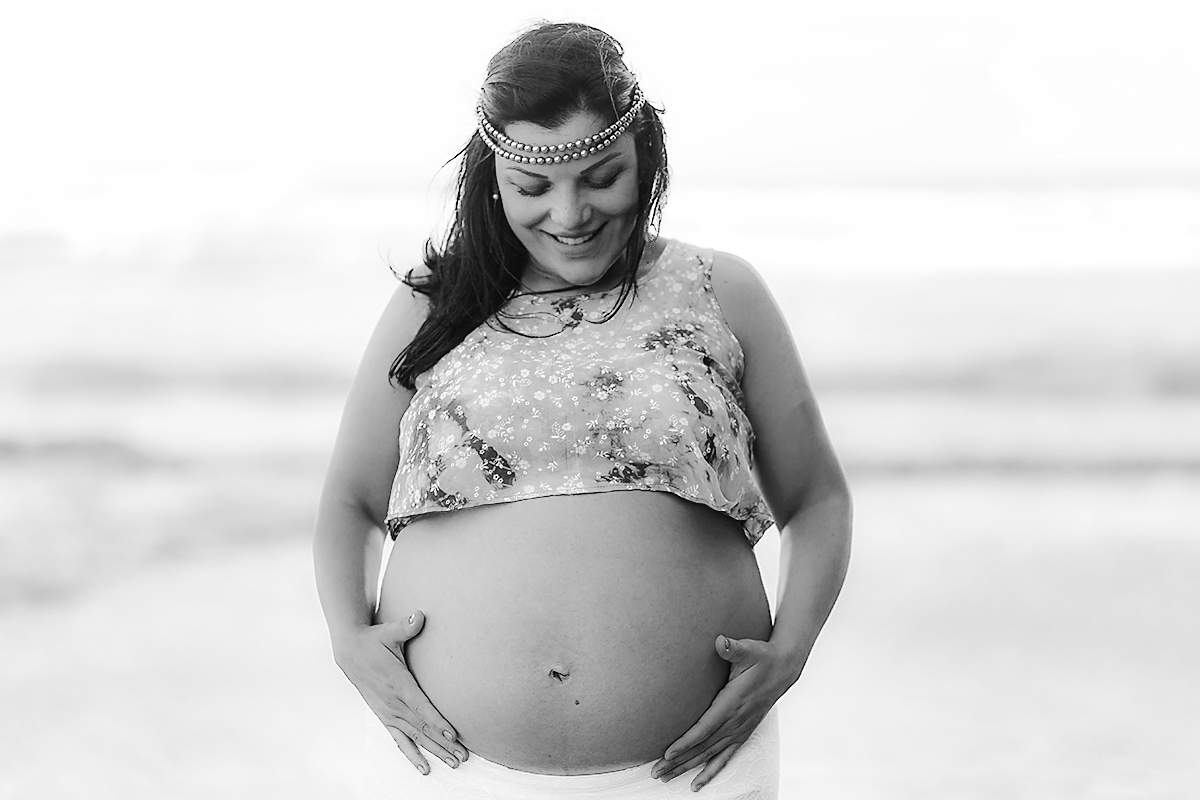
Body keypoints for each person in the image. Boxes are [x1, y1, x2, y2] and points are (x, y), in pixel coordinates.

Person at [313, 21, 852, 800]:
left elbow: (817, 498)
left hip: (696, 772)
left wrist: (794, 649)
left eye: (602, 177)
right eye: (533, 187)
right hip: (451, 770)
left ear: (646, 158)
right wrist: (347, 640)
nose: (569, 214)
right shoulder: (435, 302)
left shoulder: (720, 290)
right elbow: (350, 500)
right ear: (492, 178)